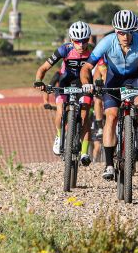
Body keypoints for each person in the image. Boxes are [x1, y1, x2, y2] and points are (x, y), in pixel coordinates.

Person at [79, 10, 138, 181]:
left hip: (134, 78)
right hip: (113, 79)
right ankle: (109, 164)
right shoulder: (107, 42)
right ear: (115, 31)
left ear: (134, 31)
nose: (125, 36)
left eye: (128, 32)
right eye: (120, 32)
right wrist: (86, 83)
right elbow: (87, 67)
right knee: (111, 116)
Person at [33, 21, 94, 165]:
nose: (81, 45)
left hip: (84, 84)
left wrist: (98, 83)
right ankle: (60, 136)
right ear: (71, 40)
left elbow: (101, 71)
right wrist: (38, 81)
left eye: (84, 40)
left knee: (85, 115)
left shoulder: (93, 52)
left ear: (88, 39)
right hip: (65, 82)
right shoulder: (64, 50)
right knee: (60, 112)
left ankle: (84, 152)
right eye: (77, 41)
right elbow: (43, 68)